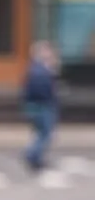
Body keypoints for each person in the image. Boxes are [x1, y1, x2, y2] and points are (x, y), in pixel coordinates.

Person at [22, 39, 60, 173]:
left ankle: (35, 157)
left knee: (40, 133)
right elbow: (43, 90)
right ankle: (32, 155)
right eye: (48, 51)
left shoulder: (37, 68)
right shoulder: (40, 70)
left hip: (37, 106)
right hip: (42, 106)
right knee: (45, 134)